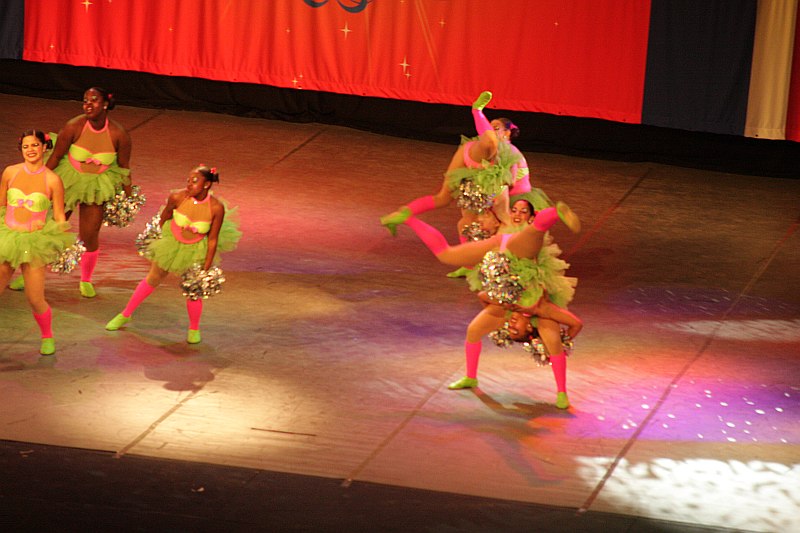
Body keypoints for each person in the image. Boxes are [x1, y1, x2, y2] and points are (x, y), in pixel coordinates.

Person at [394, 201, 581, 408]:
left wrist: (501, 305)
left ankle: (408, 219)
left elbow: (483, 295)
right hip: (520, 257)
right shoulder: (544, 313)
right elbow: (575, 325)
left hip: (500, 250)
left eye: (509, 328)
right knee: (536, 231)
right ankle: (555, 212)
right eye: (516, 328)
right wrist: (565, 338)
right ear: (529, 327)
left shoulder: (506, 310)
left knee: (447, 258)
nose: (512, 325)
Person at [104, 165, 241, 344]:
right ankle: (125, 314)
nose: (189, 184)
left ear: (207, 184)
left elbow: (213, 239)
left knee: (193, 289)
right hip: (172, 243)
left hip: (195, 249)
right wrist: (157, 241)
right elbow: (163, 218)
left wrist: (206, 267)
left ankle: (194, 328)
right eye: (188, 180)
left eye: (194, 181)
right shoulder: (177, 197)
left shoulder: (216, 208)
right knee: (153, 278)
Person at [380, 91, 522, 238]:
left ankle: (399, 216)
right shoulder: (492, 144)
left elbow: (511, 182)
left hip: (475, 178)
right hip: (474, 156)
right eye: (489, 126)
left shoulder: (512, 152)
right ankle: (477, 110)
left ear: (507, 133)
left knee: (444, 200)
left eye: (496, 128)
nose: (490, 129)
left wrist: (490, 194)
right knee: (491, 143)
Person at [43, 87, 133, 298]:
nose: (88, 104)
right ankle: (32, 272)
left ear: (105, 104)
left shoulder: (119, 134)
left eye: (94, 100)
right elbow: (56, 157)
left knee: (89, 235)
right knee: (51, 228)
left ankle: (86, 279)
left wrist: (128, 197)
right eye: (85, 101)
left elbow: (124, 167)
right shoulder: (73, 126)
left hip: (97, 186)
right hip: (69, 180)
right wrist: (40, 182)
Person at [0, 130, 75, 355]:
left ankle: (47, 335)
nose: (30, 150)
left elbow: (59, 215)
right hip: (7, 238)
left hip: (34, 243)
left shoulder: (53, 180)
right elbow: (1, 205)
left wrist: (63, 242)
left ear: (44, 147)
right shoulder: (10, 172)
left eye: (34, 145)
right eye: (26, 146)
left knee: (35, 298)